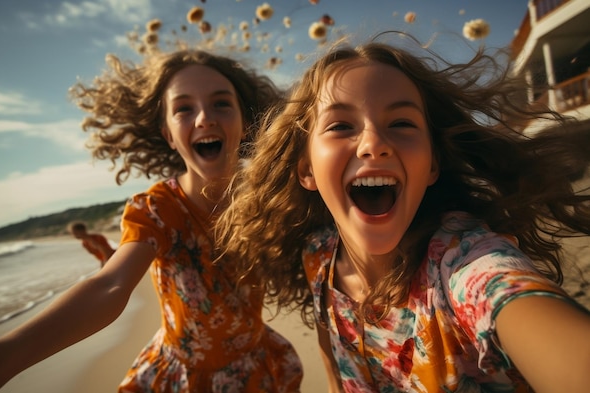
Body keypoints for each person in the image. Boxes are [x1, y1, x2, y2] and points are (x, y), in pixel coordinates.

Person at [215, 35, 590, 392]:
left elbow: (510, 295)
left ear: (431, 166)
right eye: (341, 125)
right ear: (307, 170)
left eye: (401, 124)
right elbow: (334, 368)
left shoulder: (462, 266)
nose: (374, 144)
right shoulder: (318, 257)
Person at [0, 49, 302, 393]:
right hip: (186, 377)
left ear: (245, 122)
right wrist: (6, 356)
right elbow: (109, 284)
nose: (204, 118)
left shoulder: (265, 197)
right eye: (184, 108)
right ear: (168, 134)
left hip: (258, 366)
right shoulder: (158, 209)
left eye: (221, 103)